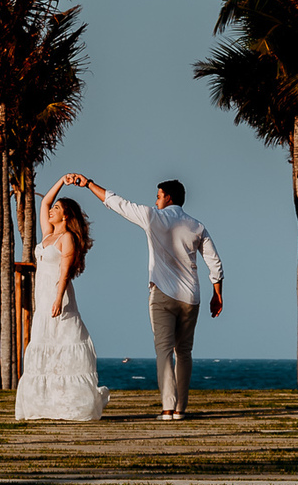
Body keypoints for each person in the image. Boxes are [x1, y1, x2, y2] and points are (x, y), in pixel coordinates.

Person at [67, 173, 222, 420]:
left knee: (163, 351)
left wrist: (88, 184)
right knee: (184, 352)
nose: (156, 200)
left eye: (158, 196)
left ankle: (168, 408)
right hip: (191, 296)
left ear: (168, 197)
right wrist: (217, 293)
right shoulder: (197, 226)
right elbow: (214, 261)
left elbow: (117, 203)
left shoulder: (152, 217)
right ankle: (181, 409)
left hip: (161, 293)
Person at [14, 174, 109, 421]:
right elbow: (44, 202)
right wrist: (61, 180)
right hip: (42, 297)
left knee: (64, 343)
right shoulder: (47, 234)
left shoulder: (66, 238)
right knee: (45, 345)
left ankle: (72, 403)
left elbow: (65, 273)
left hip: (58, 298)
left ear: (66, 216)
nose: (51, 211)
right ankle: (47, 405)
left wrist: (58, 299)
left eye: (57, 209)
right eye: (54, 208)